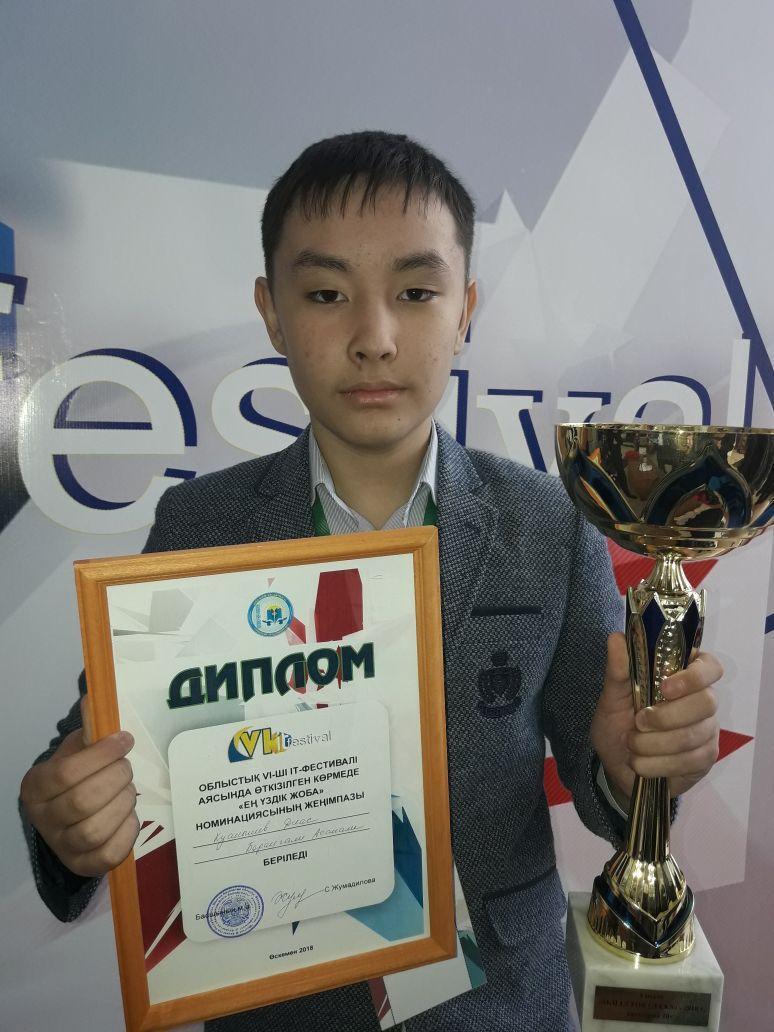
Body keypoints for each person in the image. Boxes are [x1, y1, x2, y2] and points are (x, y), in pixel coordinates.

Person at [19, 131, 722, 1031]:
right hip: (277, 1004)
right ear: (272, 313)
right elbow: (88, 758)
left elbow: (603, 783)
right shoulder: (201, 526)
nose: (374, 339)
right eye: (326, 295)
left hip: (499, 1002)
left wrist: (632, 771)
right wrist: (65, 818)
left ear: (465, 309)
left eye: (417, 293)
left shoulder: (549, 524)